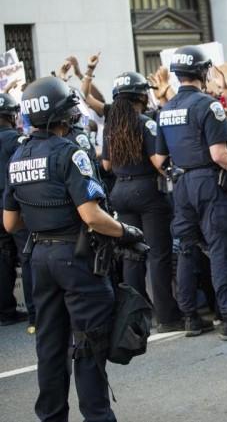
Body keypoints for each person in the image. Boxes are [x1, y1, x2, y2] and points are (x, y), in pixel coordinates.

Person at [4, 76, 147, 421]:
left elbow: (10, 223)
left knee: (50, 347)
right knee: (88, 343)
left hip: (39, 258)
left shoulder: (18, 156)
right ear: (61, 117)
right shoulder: (70, 153)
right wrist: (126, 231)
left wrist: (43, 221)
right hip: (77, 258)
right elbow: (92, 215)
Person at [155, 45, 227, 340]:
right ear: (203, 72)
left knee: (187, 249)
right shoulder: (208, 105)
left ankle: (191, 316)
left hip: (181, 184)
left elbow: (159, 159)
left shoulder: (166, 110)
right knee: (220, 248)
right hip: (208, 182)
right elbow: (219, 154)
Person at [102, 71, 182, 332]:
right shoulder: (145, 123)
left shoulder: (111, 127)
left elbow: (106, 164)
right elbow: (158, 161)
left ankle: (134, 318)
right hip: (146, 191)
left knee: (131, 255)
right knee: (158, 254)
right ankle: (168, 317)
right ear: (139, 95)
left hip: (120, 193)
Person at [0, 92, 35, 330]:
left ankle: (6, 311)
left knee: (2, 258)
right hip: (14, 203)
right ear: (12, 116)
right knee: (27, 254)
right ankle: (36, 311)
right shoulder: (17, 140)